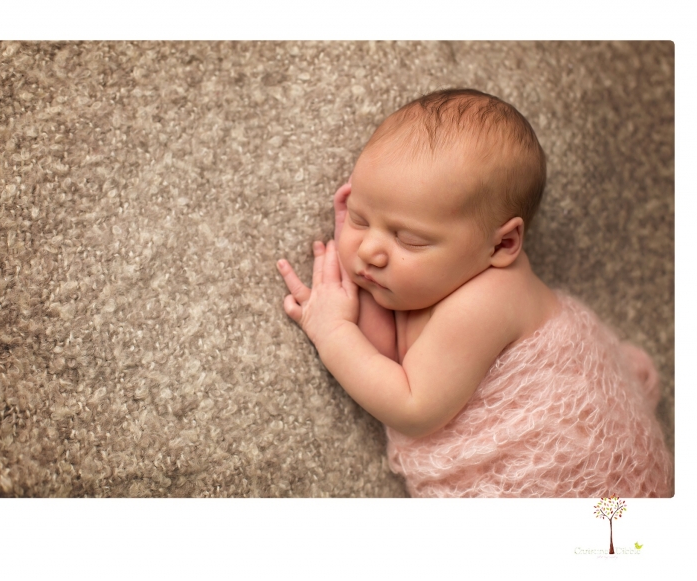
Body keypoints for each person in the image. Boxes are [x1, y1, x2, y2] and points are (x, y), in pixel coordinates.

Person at [276, 89, 672, 497]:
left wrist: (333, 332)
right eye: (360, 217)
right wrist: (351, 267)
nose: (369, 251)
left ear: (502, 244)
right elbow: (388, 358)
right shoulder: (435, 278)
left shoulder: (488, 300)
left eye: (409, 239)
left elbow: (411, 404)